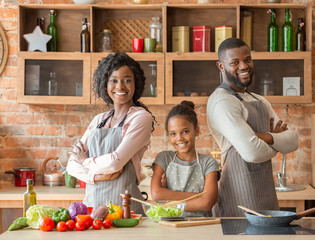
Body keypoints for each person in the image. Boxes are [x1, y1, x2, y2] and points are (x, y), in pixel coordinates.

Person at [206, 38, 298, 217]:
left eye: (247, 60)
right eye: (235, 62)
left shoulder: (259, 100)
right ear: (221, 66)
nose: (243, 66)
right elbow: (252, 153)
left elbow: (293, 141)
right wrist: (276, 145)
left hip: (266, 196)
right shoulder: (222, 101)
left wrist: (266, 138)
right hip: (237, 199)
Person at [67, 53, 155, 214]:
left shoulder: (141, 118)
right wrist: (95, 177)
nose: (120, 87)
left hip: (125, 210)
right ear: (105, 84)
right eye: (113, 80)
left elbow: (115, 162)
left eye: (127, 80)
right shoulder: (98, 120)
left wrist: (85, 161)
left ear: (136, 84)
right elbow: (71, 165)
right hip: (91, 208)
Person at [151, 101, 219, 217]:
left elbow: (207, 203)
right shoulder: (164, 158)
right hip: (169, 225)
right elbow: (157, 194)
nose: (179, 138)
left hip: (200, 227)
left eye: (185, 132)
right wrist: (198, 196)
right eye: (173, 134)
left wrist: (167, 200)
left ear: (196, 131)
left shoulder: (208, 163)